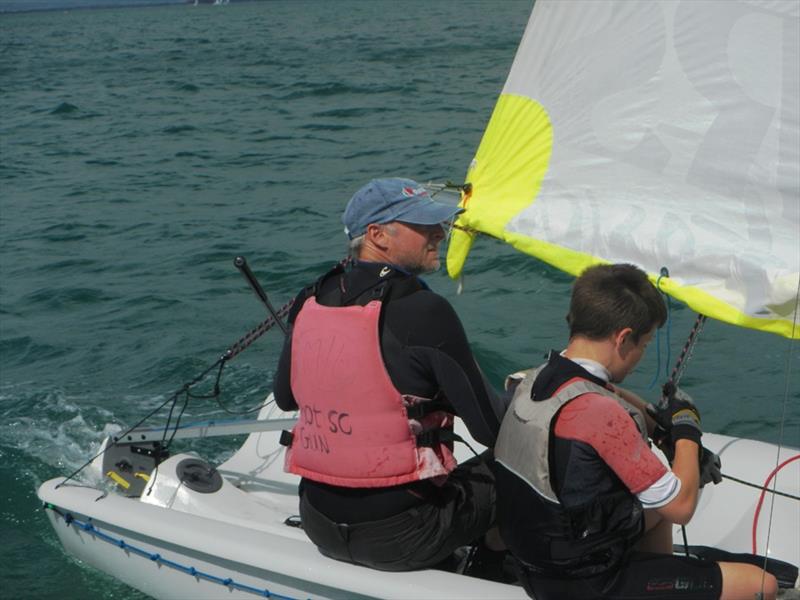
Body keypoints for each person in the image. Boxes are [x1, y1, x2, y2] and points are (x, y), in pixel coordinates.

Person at [494, 263, 778, 600]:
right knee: (762, 585)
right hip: (584, 584)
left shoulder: (532, 379)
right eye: (644, 344)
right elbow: (681, 506)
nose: (640, 356)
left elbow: (601, 391)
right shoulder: (600, 416)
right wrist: (687, 431)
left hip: (536, 564)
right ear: (623, 338)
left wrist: (661, 428)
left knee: (653, 513)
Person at [273, 177, 506, 573]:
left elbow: (284, 397)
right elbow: (491, 429)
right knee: (526, 457)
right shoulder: (425, 311)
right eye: (424, 225)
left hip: (319, 523)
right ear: (377, 235)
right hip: (405, 538)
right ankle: (496, 567)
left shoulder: (310, 299)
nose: (440, 233)